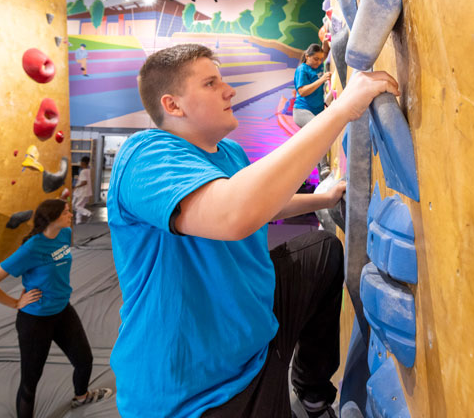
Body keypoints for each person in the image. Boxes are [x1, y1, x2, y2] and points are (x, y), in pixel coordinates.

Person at [106, 44, 398, 417]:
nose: (229, 91)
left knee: (322, 252)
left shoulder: (228, 153)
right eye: (211, 84)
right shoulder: (145, 155)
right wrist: (342, 110)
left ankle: (311, 391)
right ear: (173, 105)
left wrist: (320, 199)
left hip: (255, 328)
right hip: (199, 392)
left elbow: (262, 204)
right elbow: (233, 214)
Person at [0, 199, 112, 418]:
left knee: (84, 360)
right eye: (67, 212)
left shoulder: (65, 234)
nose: (71, 214)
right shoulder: (31, 248)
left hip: (62, 311)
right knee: (30, 381)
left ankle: (81, 397)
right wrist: (15, 303)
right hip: (35, 320)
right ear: (53, 217)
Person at [293, 43, 332, 179]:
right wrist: (321, 80)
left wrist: (326, 42)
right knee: (318, 129)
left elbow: (326, 52)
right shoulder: (302, 69)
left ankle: (323, 180)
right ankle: (325, 166)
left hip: (317, 110)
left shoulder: (317, 67)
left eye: (320, 59)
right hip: (301, 111)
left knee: (317, 140)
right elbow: (302, 91)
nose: (318, 62)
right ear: (307, 56)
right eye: (315, 59)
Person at [73, 156, 93, 223]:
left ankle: (88, 213)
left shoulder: (83, 171)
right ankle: (78, 221)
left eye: (80, 162)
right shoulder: (89, 170)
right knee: (80, 206)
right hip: (87, 192)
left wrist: (76, 187)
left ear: (83, 163)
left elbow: (84, 182)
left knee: (76, 206)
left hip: (82, 192)